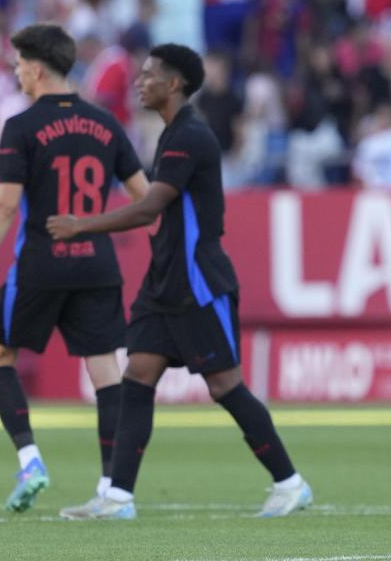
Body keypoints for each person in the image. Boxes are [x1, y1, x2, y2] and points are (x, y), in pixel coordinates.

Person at [47, 43, 313, 520]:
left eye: (148, 75)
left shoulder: (191, 135)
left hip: (196, 282)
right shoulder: (172, 133)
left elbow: (150, 206)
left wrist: (82, 224)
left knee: (224, 386)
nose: (138, 82)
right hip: (163, 281)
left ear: (174, 83)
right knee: (137, 376)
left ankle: (290, 483)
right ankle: (117, 497)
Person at [0, 24, 149, 512]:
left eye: (18, 64)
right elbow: (145, 197)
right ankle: (112, 492)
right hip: (97, 265)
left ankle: (30, 458)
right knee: (107, 375)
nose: (17, 73)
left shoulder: (21, 126)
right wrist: (95, 226)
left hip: (40, 263)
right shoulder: (106, 123)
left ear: (37, 68)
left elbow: (3, 205)